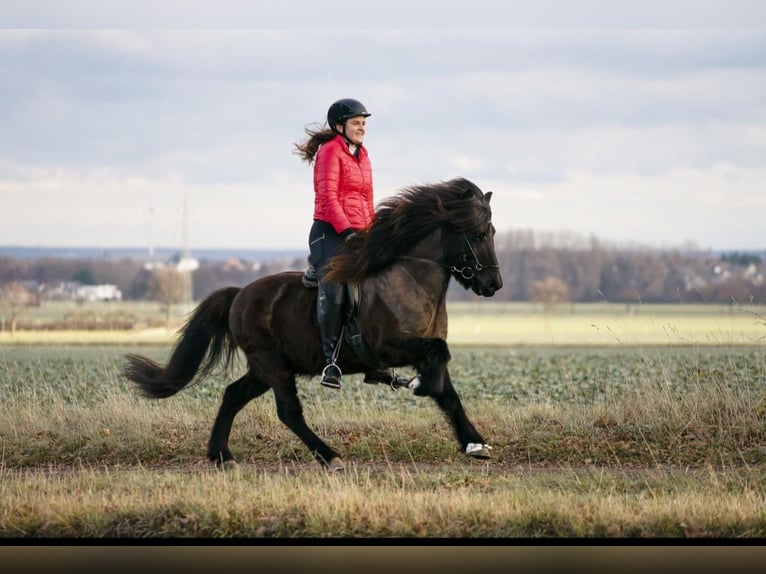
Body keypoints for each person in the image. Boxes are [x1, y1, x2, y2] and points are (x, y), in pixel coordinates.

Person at [294, 98, 375, 389]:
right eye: (356, 123)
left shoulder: (362, 155)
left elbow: (367, 199)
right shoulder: (330, 152)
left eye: (364, 124)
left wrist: (371, 233)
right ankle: (331, 362)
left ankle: (373, 359)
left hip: (356, 234)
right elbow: (328, 198)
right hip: (328, 233)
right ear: (340, 126)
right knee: (338, 289)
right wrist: (349, 233)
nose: (361, 128)